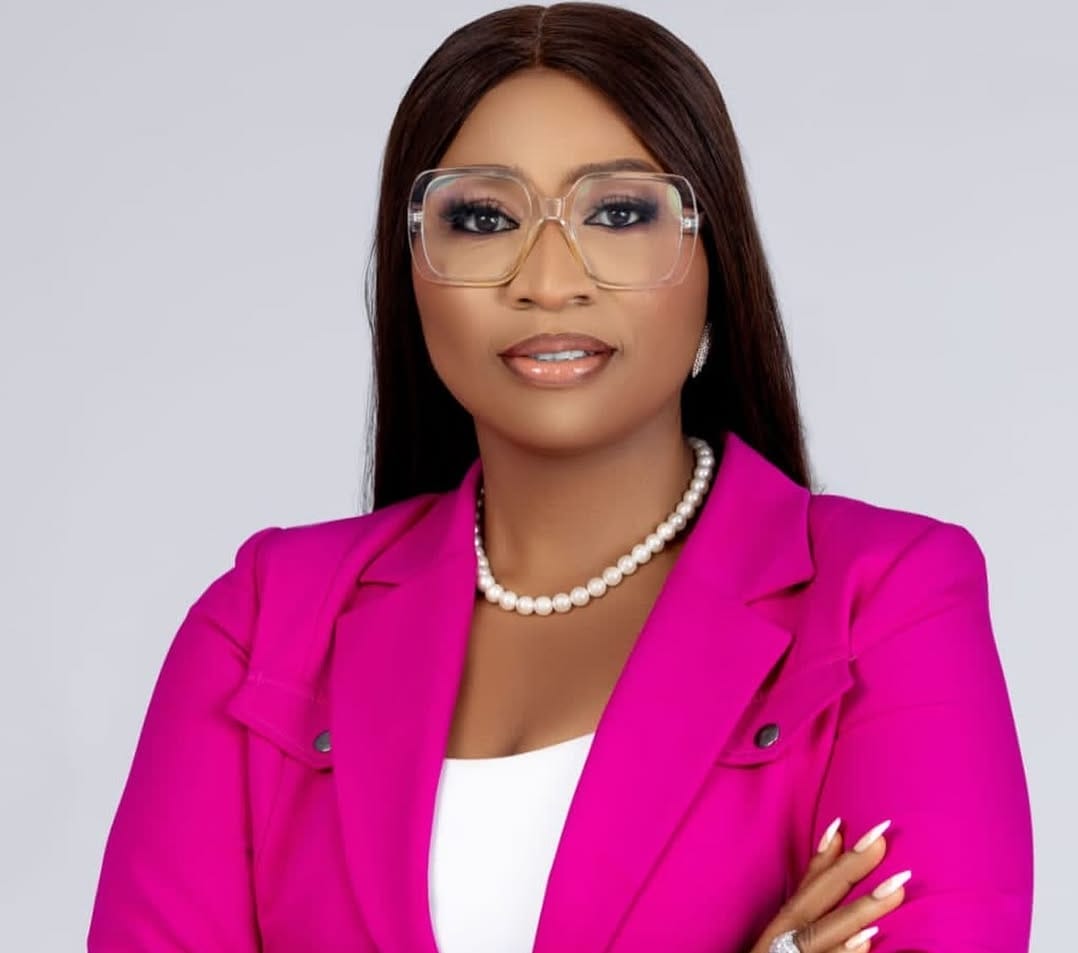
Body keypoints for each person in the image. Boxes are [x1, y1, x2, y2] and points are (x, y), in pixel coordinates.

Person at [87, 4, 1034, 952]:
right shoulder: (263, 623)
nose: (547, 280)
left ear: (715, 256)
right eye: (483, 218)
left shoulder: (887, 600)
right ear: (413, 267)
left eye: (617, 213)